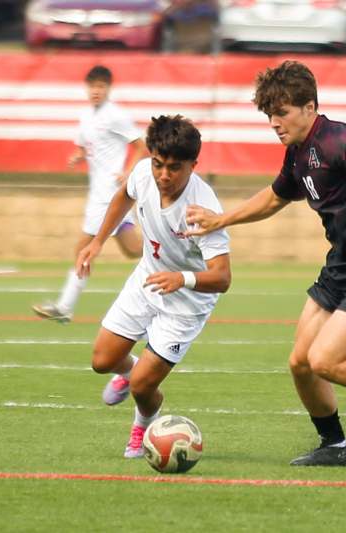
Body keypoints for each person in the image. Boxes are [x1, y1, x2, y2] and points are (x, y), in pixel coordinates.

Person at [185, 61, 346, 466]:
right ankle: (335, 445)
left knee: (325, 359)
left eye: (282, 113)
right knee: (301, 363)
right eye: (270, 115)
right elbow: (273, 198)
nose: (274, 122)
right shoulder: (297, 154)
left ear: (309, 107)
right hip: (341, 266)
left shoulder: (339, 139)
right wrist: (222, 219)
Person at [75, 115, 231, 458]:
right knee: (102, 360)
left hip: (187, 302)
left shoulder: (201, 209)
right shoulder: (144, 172)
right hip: (147, 279)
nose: (163, 175)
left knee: (145, 385)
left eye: (174, 168)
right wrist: (98, 241)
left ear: (193, 164)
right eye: (159, 164)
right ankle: (127, 374)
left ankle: (144, 424)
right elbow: (122, 196)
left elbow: (222, 277)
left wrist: (182, 278)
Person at [33, 65, 149, 324]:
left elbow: (142, 147)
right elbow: (86, 145)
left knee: (82, 249)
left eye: (101, 86)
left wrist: (129, 172)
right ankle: (178, 250)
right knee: (133, 250)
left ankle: (64, 307)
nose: (96, 91)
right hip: (100, 194)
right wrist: (78, 155)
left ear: (108, 89)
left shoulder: (115, 115)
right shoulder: (87, 116)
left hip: (108, 195)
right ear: (87, 88)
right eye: (92, 86)